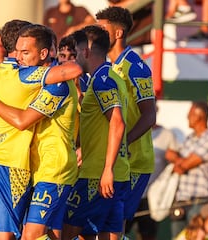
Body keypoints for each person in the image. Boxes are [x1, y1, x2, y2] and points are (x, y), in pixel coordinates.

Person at [0, 20, 82, 240]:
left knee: (29, 235)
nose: (22, 58)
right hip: (23, 165)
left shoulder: (2, 71)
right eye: (21, 51)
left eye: (26, 52)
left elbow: (23, 120)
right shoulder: (23, 75)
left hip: (51, 167)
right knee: (47, 232)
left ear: (44, 52)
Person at [62, 25, 129, 240]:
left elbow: (117, 123)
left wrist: (106, 169)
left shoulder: (102, 82)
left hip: (98, 175)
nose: (74, 57)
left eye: (76, 51)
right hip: (115, 174)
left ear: (87, 51)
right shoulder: (113, 77)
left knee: (66, 232)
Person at [96, 6, 157, 236]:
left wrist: (123, 143)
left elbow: (149, 115)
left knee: (115, 226)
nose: (96, 34)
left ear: (118, 33)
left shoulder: (135, 67)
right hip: (110, 160)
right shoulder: (103, 67)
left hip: (134, 161)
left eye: (102, 29)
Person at [125, 102, 178, 240]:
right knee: (120, 231)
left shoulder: (167, 135)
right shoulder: (129, 130)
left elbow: (176, 163)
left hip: (151, 197)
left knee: (148, 234)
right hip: (128, 191)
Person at [166, 101, 208, 238]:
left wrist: (177, 160)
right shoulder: (189, 138)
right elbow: (173, 157)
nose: (187, 117)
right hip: (181, 201)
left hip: (200, 203)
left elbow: (185, 165)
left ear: (200, 116)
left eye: (190, 114)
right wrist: (180, 161)